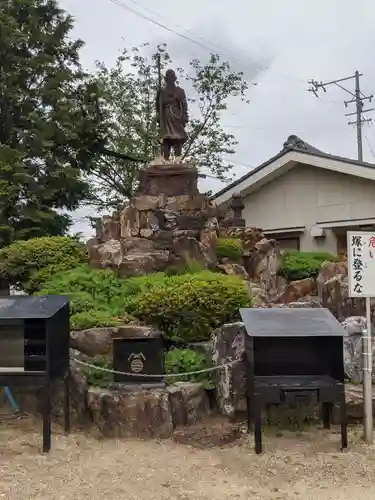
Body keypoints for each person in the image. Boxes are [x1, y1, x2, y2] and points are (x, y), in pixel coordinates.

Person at [156, 69, 188, 162]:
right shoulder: (161, 92)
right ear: (166, 79)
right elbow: (158, 107)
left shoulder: (180, 91)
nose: (170, 80)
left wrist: (184, 117)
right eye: (168, 78)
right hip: (165, 117)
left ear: (174, 79)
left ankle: (178, 161)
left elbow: (184, 105)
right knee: (166, 140)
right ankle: (165, 161)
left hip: (176, 116)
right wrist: (159, 118)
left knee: (178, 139)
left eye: (171, 78)